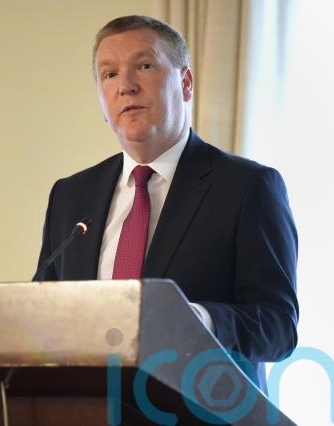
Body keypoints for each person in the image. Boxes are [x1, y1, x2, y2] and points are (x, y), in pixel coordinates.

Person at [35, 15, 298, 392]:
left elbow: (278, 328)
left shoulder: (247, 187)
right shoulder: (71, 195)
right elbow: (41, 313)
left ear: (185, 83)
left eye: (144, 66)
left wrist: (197, 320)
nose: (125, 85)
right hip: (86, 407)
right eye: (109, 74)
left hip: (199, 409)